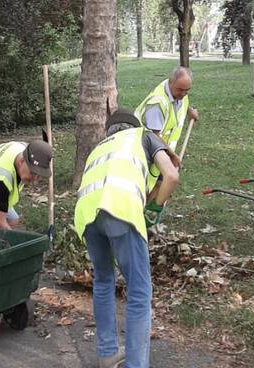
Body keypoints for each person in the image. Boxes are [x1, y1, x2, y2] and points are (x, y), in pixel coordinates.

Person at [74, 108, 180, 368]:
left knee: (102, 280)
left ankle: (107, 353)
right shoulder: (142, 135)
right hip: (119, 207)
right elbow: (172, 175)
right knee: (139, 291)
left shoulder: (99, 149)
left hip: (87, 214)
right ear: (133, 125)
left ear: (109, 131)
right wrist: (153, 211)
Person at [134, 66, 199, 153]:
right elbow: (154, 138)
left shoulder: (178, 91)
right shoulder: (157, 105)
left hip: (164, 150)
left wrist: (189, 110)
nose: (184, 94)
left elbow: (181, 101)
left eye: (187, 90)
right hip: (147, 151)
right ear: (170, 83)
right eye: (180, 90)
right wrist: (173, 156)